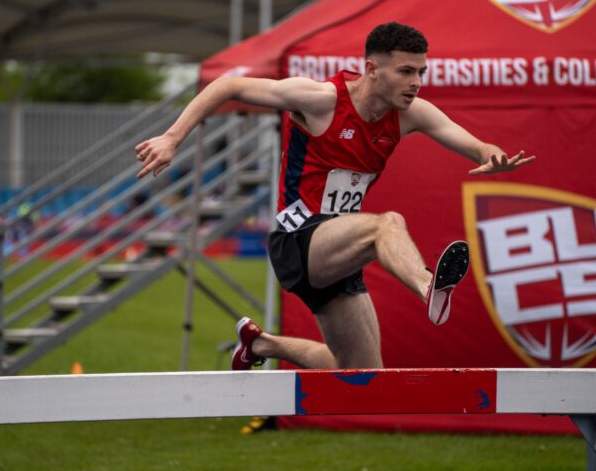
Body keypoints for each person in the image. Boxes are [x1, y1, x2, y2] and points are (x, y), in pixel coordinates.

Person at [135, 22, 535, 371]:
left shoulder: (411, 113)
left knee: (362, 371)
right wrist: (172, 138)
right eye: (406, 72)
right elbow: (229, 85)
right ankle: (430, 287)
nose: (416, 83)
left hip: (335, 251)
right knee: (387, 224)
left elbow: (469, 143)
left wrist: (490, 155)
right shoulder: (322, 100)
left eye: (421, 72)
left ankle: (262, 344)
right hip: (296, 239)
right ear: (372, 69)